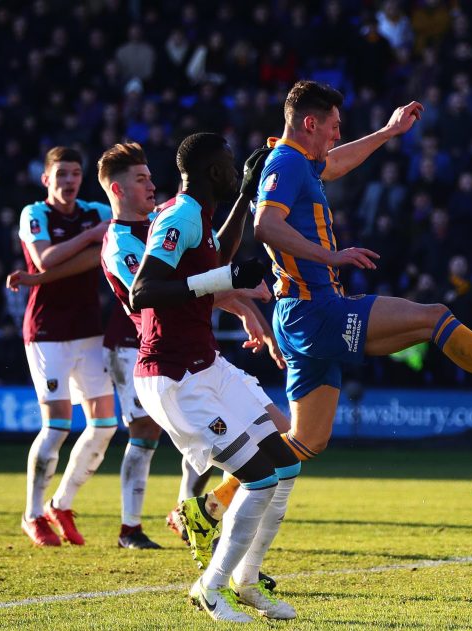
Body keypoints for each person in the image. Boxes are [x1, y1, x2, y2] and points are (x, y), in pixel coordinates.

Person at [252, 80, 472, 471]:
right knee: (434, 317)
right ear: (310, 123)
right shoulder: (287, 162)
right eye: (334, 126)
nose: (338, 134)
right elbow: (266, 225)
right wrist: (331, 256)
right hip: (314, 309)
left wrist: (390, 132)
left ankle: (212, 504)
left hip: (300, 309)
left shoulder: (300, 162)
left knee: (306, 441)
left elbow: (336, 163)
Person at [130, 133, 299, 622]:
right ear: (209, 171)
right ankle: (211, 587)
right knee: (260, 478)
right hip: (174, 375)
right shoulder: (180, 215)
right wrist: (222, 281)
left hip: (206, 363)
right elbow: (144, 291)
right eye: (228, 165)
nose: (233, 169)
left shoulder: (200, 217)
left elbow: (217, 259)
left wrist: (245, 196)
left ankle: (247, 582)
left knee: (285, 466)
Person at [18, 146, 116, 548]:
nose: (69, 181)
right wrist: (93, 240)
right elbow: (44, 259)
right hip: (46, 332)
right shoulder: (34, 214)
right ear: (47, 180)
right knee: (56, 427)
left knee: (105, 425)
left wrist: (94, 244)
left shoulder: (96, 209)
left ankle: (62, 502)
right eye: (61, 174)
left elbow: (123, 234)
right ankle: (32, 513)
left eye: (75, 173)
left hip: (90, 330)